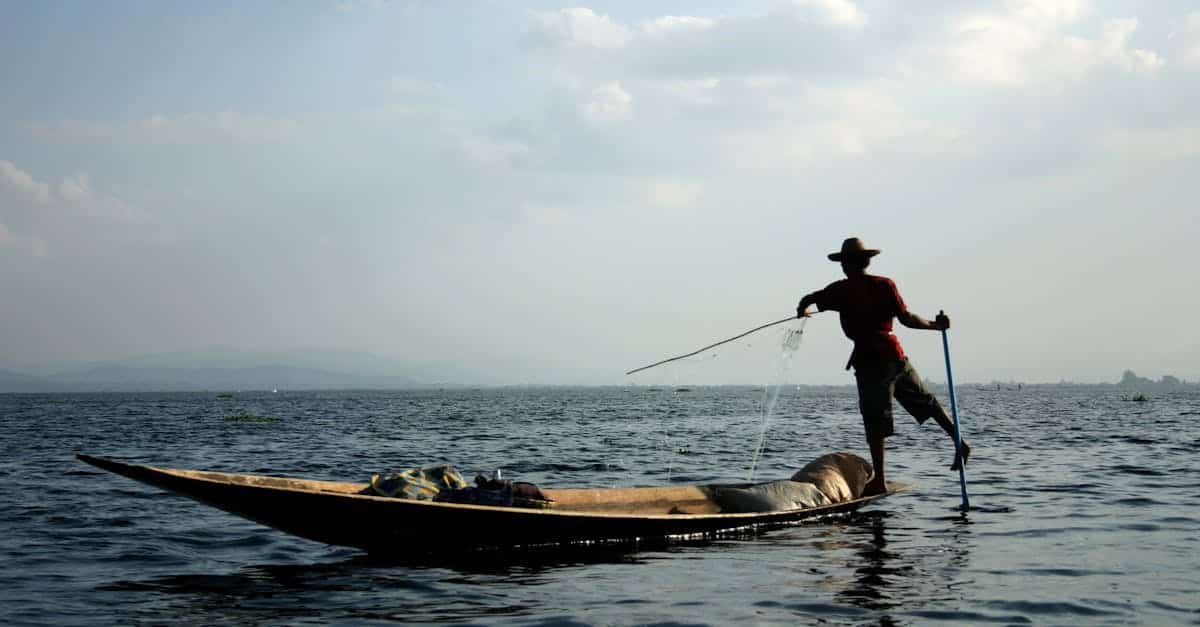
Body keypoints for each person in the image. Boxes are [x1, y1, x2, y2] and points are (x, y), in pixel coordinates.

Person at [796, 237, 971, 496]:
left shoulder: (841, 290)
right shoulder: (883, 285)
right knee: (927, 402)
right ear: (865, 262)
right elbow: (907, 319)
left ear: (846, 265)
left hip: (872, 362)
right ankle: (960, 442)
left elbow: (808, 298)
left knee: (875, 420)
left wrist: (803, 310)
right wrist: (935, 326)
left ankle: (879, 479)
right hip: (896, 356)